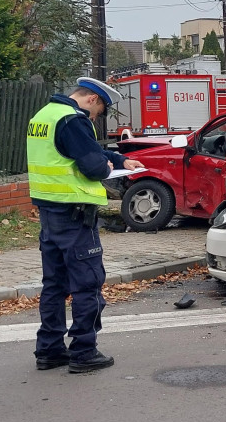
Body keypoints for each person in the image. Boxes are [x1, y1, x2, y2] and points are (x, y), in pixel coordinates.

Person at [27, 77, 143, 373]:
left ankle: (49, 350)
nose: (96, 117)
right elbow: (91, 166)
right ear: (92, 99)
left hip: (49, 214)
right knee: (87, 284)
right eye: (100, 110)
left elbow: (79, 151)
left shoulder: (45, 115)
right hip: (75, 216)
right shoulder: (73, 120)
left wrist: (118, 159)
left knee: (54, 284)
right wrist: (105, 167)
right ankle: (83, 351)